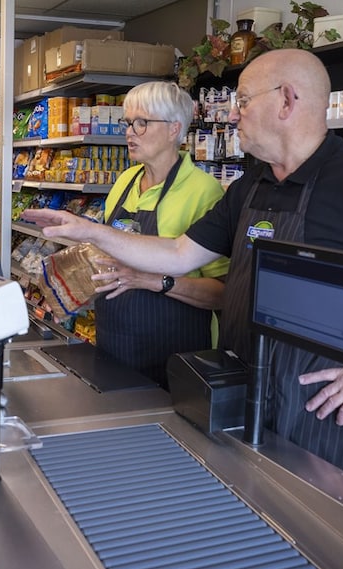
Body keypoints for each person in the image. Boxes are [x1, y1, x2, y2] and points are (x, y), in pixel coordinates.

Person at [23, 49, 343, 486]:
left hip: (333, 426)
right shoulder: (251, 185)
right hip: (253, 405)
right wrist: (89, 231)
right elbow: (179, 254)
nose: (232, 113)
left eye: (242, 100)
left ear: (287, 100)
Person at [93, 81, 228, 387]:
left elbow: (222, 293)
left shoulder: (203, 192)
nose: (130, 132)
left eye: (142, 123)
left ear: (173, 129)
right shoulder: (125, 181)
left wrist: (150, 279)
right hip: (113, 346)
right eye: (128, 123)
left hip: (172, 359)